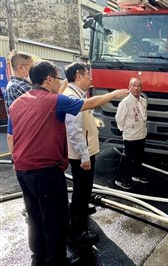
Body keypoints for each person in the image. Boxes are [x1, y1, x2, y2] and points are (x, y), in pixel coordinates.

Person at [7, 60, 129, 266]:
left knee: (35, 215)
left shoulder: (17, 103)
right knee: (56, 218)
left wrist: (15, 160)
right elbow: (89, 104)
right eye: (57, 78)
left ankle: (38, 255)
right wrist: (115, 93)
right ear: (48, 80)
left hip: (22, 169)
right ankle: (57, 260)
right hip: (46, 171)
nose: (60, 82)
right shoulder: (55, 100)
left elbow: (11, 137)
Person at [63, 62, 100, 244]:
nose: (90, 78)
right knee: (81, 191)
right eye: (87, 75)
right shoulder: (72, 98)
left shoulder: (78, 94)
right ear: (78, 76)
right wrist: (85, 157)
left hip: (84, 151)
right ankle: (77, 231)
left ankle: (80, 214)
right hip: (81, 155)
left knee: (83, 190)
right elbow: (74, 131)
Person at [115, 77, 148, 190]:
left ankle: (136, 175)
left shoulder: (143, 100)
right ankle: (120, 179)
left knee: (139, 156)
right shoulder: (125, 102)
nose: (136, 88)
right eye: (133, 85)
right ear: (129, 87)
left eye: (138, 85)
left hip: (141, 133)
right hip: (130, 135)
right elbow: (119, 118)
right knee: (127, 158)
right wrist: (125, 130)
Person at [5, 50, 33, 115]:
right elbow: (41, 102)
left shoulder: (13, 84)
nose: (34, 69)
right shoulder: (20, 86)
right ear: (21, 67)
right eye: (31, 66)